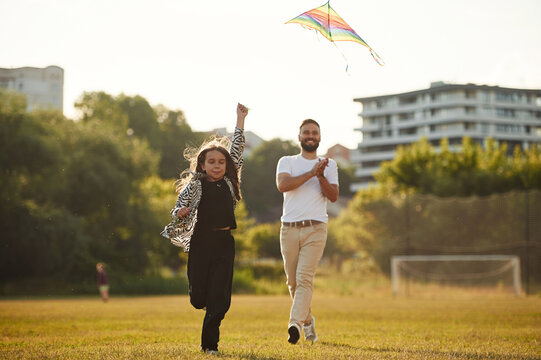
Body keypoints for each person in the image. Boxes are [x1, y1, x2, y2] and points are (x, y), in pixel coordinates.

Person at [161, 103, 249, 355]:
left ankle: (210, 346)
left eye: (221, 162)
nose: (217, 165)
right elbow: (177, 209)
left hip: (224, 244)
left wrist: (240, 119)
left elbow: (238, 150)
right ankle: (201, 299)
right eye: (211, 162)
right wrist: (179, 213)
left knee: (219, 302)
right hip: (200, 244)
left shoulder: (231, 182)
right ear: (201, 165)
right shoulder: (194, 186)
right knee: (198, 299)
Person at [275, 119, 339, 345]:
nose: (310, 136)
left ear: (319, 137)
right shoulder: (287, 161)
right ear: (299, 136)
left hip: (316, 229)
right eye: (306, 132)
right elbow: (283, 185)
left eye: (314, 133)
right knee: (293, 283)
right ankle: (308, 322)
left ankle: (294, 324)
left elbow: (333, 196)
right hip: (289, 229)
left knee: (304, 279)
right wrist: (311, 173)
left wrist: (320, 175)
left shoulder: (329, 165)